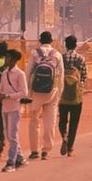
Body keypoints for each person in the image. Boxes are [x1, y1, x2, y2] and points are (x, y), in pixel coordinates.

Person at [27, 30, 64, 160]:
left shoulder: (34, 53)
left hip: (36, 92)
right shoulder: (57, 55)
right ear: (51, 41)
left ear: (40, 40)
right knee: (50, 122)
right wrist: (59, 94)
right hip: (52, 91)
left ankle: (34, 151)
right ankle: (46, 150)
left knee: (34, 122)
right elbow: (61, 77)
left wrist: (28, 93)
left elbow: (28, 73)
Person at [0, 48, 29, 170]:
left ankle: (11, 163)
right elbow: (0, 90)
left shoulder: (20, 74)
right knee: (8, 136)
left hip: (15, 108)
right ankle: (20, 158)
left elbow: (24, 92)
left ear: (14, 60)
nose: (6, 60)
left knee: (13, 136)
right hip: (5, 108)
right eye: (6, 57)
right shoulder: (4, 74)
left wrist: (8, 96)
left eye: (8, 58)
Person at [58, 34, 87, 156]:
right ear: (75, 45)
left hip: (62, 95)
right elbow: (84, 77)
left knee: (62, 120)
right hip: (76, 97)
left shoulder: (61, 58)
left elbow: (57, 74)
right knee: (74, 122)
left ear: (65, 45)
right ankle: (70, 148)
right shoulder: (81, 59)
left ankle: (64, 135)